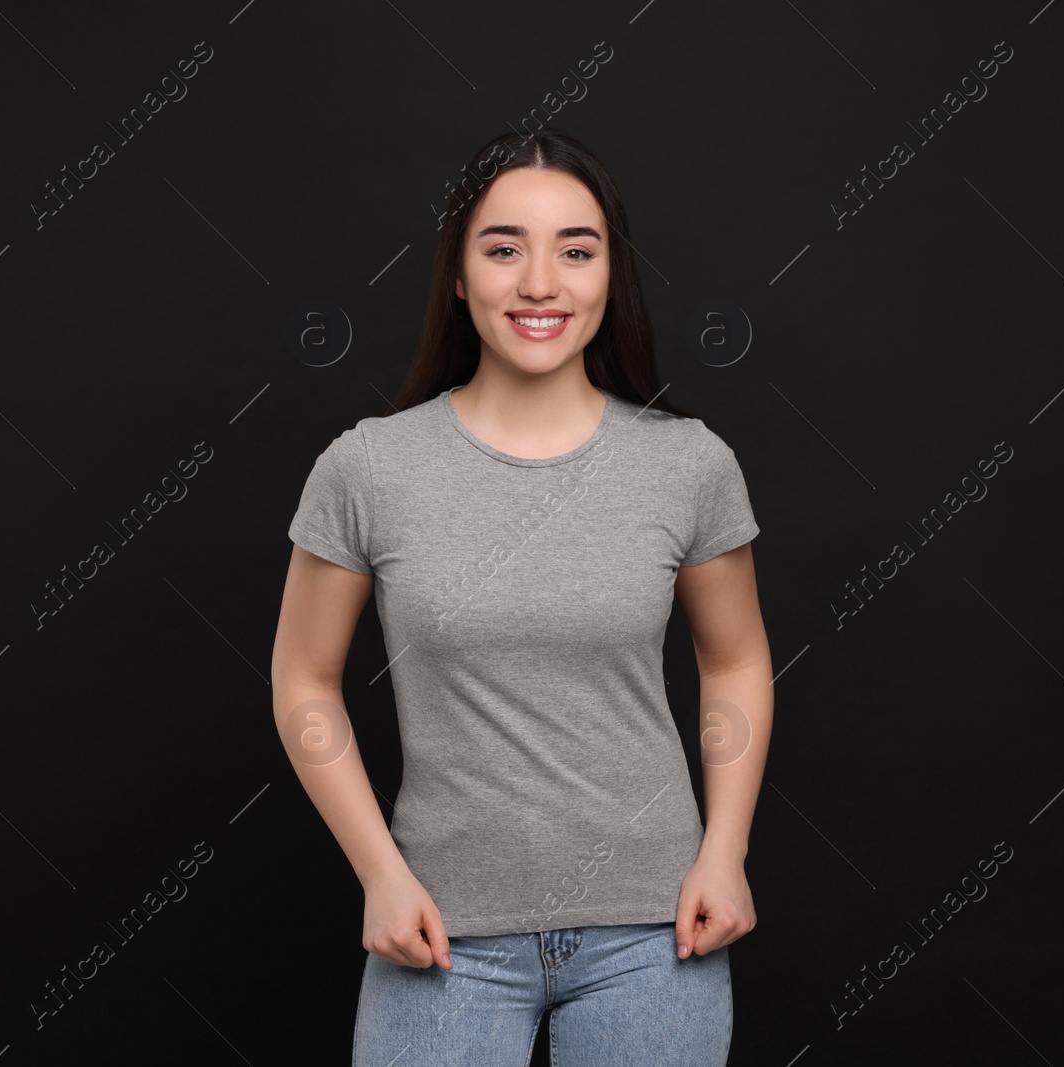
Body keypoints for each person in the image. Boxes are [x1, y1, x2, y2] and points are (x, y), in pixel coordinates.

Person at [271, 127, 772, 1066]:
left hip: (654, 932)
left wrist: (725, 852)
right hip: (443, 937)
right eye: (503, 248)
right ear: (458, 275)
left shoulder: (688, 464)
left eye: (575, 250)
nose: (540, 282)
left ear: (609, 274)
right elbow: (303, 678)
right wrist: (379, 873)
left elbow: (735, 660)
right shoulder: (368, 469)